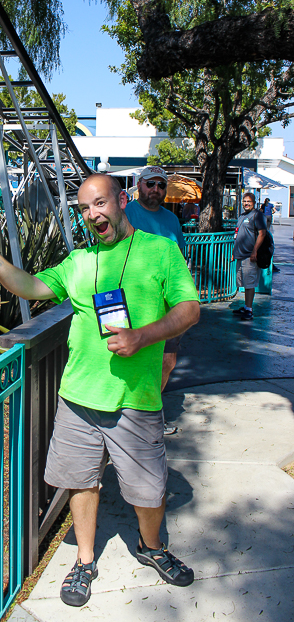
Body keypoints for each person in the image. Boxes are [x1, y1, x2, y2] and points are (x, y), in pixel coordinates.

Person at [0, 173, 200, 606]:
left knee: (149, 488)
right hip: (77, 398)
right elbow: (34, 286)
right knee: (81, 482)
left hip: (136, 400)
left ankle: (152, 547)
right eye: (84, 208)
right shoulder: (79, 261)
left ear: (123, 200)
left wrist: (143, 337)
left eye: (100, 203)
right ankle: (85, 561)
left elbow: (189, 310)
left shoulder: (161, 251)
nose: (93, 214)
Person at [125, 166, 187, 435]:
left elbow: (180, 262)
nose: (156, 190)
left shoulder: (172, 221)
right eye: (151, 184)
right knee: (133, 360)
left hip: (165, 306)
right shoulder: (126, 214)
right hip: (134, 304)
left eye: (161, 185)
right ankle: (127, 418)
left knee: (166, 362)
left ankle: (148, 414)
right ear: (140, 185)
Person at [232, 192, 266, 321]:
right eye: (244, 201)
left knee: (249, 283)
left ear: (254, 203)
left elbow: (262, 233)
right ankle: (246, 306)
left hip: (249, 256)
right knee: (243, 282)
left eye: (249, 202)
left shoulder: (257, 215)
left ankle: (249, 310)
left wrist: (254, 251)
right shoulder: (242, 216)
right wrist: (233, 252)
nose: (246, 203)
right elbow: (237, 234)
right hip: (240, 255)